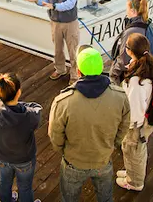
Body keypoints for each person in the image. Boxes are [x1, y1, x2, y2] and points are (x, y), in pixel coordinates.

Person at [48, 46, 130, 202]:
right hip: (103, 159)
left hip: (73, 162)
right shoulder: (120, 97)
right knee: (105, 198)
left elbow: (55, 134)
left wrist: (63, 150)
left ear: (79, 72)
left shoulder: (63, 101)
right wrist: (114, 144)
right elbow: (125, 125)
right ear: (101, 69)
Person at [0, 73, 42, 202]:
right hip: (23, 159)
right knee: (25, 187)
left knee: (4, 181)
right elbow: (37, 109)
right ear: (18, 93)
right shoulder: (27, 115)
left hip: (1, 155)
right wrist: (19, 104)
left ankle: (5, 199)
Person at [22, 0, 80, 83]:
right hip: (55, 22)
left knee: (72, 50)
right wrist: (34, 0)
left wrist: (53, 6)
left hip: (70, 22)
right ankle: (60, 69)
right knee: (57, 49)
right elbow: (45, 0)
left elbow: (70, 4)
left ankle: (74, 75)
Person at [117, 33, 153, 191]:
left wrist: (125, 126)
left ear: (129, 51)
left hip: (138, 123)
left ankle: (135, 183)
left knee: (133, 150)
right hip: (148, 116)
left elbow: (134, 111)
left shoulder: (137, 82)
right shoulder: (151, 65)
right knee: (133, 150)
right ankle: (131, 172)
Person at [109, 0, 149, 86]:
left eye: (127, 8)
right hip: (143, 71)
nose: (126, 11)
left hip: (131, 75)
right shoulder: (146, 24)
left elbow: (124, 59)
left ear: (133, 11)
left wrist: (113, 73)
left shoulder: (130, 32)